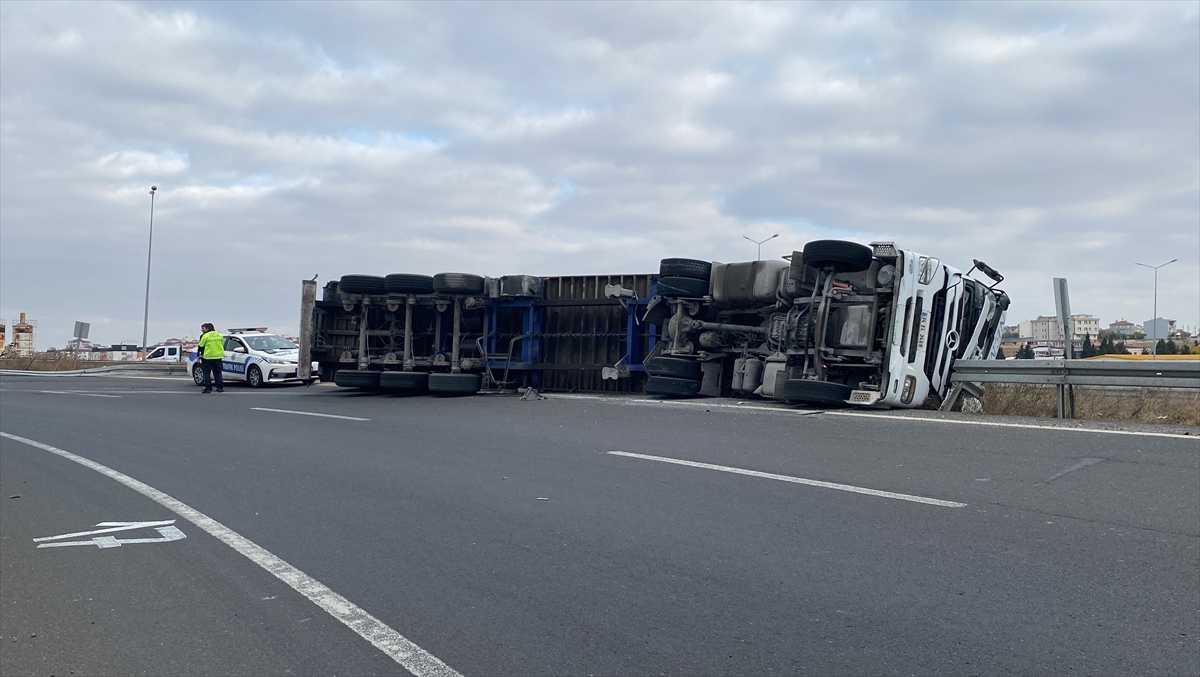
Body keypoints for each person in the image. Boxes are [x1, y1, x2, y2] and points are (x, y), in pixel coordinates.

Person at [196, 323, 225, 393]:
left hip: (208, 357)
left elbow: (201, 346)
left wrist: (199, 356)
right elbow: (222, 343)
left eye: (203, 328)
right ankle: (220, 387)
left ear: (207, 329)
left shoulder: (205, 336)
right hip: (218, 356)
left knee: (207, 373)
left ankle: (208, 388)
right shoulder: (219, 334)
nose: (201, 330)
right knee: (218, 373)